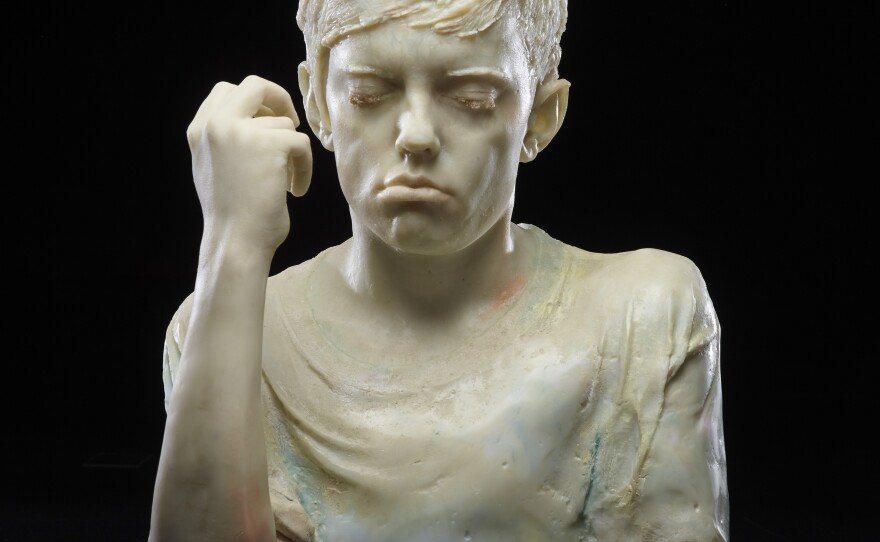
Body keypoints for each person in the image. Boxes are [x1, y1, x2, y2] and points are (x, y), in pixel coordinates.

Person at [150, 1, 730, 540]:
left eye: (473, 98)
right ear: (318, 105)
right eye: (368, 94)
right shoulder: (226, 326)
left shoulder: (642, 320)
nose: (416, 136)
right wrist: (232, 243)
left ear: (541, 117)